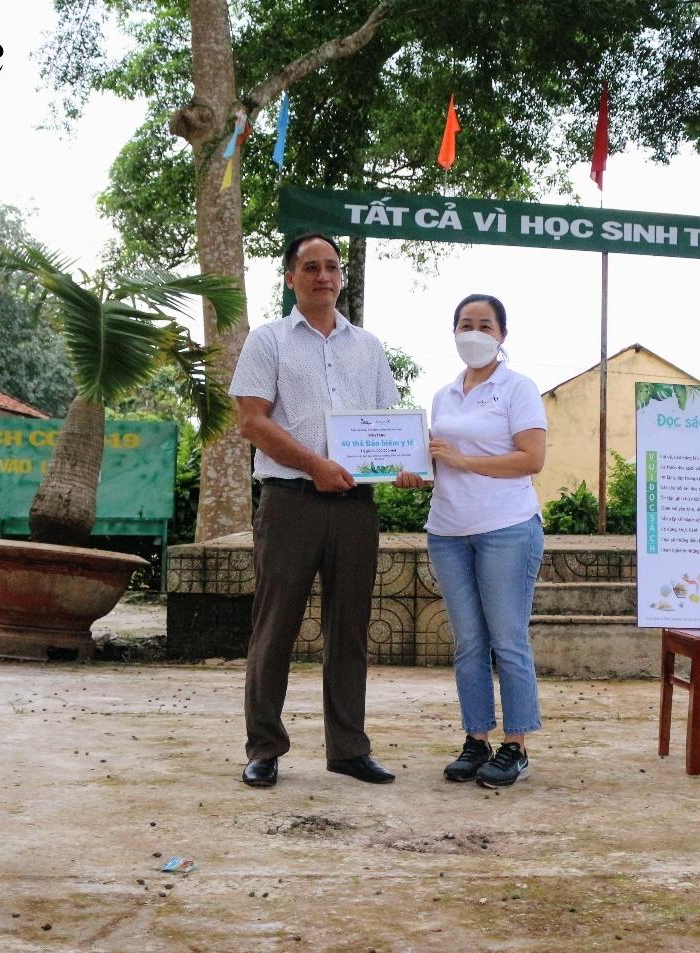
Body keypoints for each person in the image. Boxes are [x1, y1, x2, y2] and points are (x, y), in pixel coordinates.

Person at [229, 233, 400, 788]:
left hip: (356, 507)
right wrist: (315, 466)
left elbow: (385, 425)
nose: (322, 276)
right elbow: (253, 422)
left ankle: (348, 747)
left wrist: (401, 462)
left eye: (331, 267)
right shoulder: (268, 340)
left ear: (340, 277)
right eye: (310, 267)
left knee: (349, 628)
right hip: (290, 503)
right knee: (275, 627)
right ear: (290, 277)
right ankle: (264, 749)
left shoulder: (368, 346)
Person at [393, 293, 547, 788]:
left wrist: (463, 461)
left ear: (503, 334)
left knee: (508, 639)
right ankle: (476, 739)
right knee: (468, 643)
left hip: (507, 527)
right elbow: (437, 461)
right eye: (466, 323)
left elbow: (531, 459)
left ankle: (515, 745)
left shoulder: (518, 389)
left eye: (485, 324)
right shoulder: (444, 395)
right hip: (448, 531)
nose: (474, 332)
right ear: (453, 332)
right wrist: (418, 472)